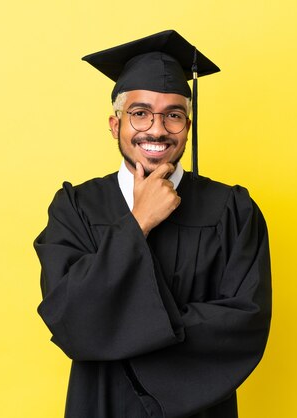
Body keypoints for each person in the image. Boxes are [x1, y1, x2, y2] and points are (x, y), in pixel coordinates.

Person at [34, 30, 272, 418]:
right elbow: (70, 318)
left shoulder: (233, 210)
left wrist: (114, 331)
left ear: (187, 127)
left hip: (200, 410)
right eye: (140, 113)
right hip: (100, 404)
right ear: (115, 125)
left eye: (173, 115)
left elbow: (243, 323)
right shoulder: (75, 208)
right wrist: (138, 222)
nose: (157, 129)